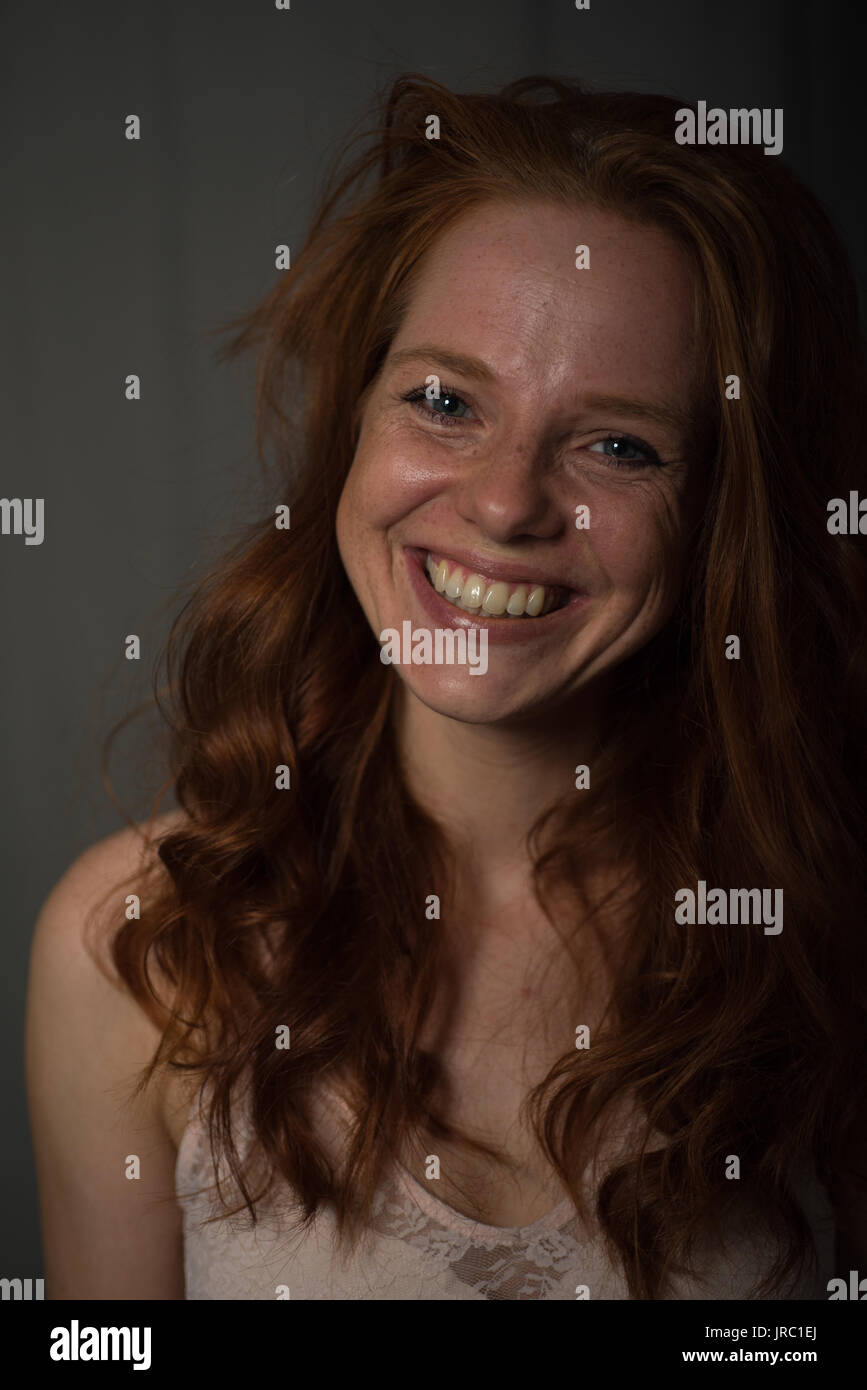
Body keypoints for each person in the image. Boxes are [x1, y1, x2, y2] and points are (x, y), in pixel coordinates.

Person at [26, 73, 867, 1300]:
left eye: (618, 444)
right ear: (352, 429)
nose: (505, 501)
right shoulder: (131, 947)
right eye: (444, 400)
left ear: (725, 516)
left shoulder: (827, 935)